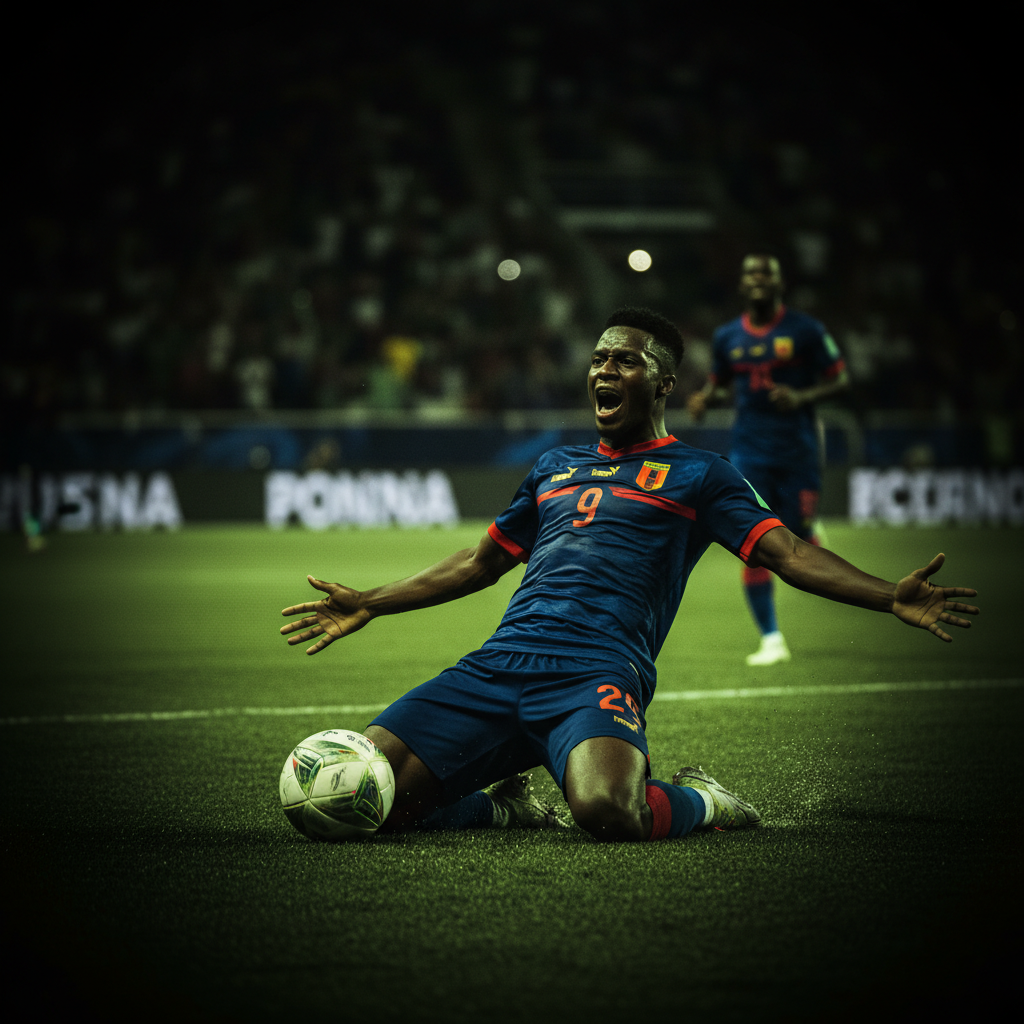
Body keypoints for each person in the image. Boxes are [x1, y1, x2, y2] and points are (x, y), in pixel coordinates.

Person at [280, 306, 978, 843]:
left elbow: (788, 554)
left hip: (596, 671)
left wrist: (888, 595)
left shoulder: (702, 474)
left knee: (609, 813)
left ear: (664, 383)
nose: (604, 371)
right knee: (366, 798)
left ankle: (705, 800)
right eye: (598, 359)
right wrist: (370, 602)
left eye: (625, 361)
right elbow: (479, 562)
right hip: (497, 665)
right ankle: (501, 809)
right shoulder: (554, 467)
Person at [688, 252, 850, 666]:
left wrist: (802, 396)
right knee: (756, 540)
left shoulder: (806, 330)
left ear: (780, 283)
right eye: (751, 274)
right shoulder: (727, 336)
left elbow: (840, 380)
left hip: (798, 450)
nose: (758, 279)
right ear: (742, 284)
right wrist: (705, 399)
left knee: (797, 536)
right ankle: (771, 638)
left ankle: (809, 533)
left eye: (766, 274)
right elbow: (719, 383)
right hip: (749, 452)